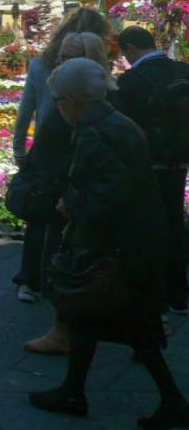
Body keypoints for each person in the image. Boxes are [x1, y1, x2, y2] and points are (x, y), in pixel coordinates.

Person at [28, 58, 189, 427]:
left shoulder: (94, 131)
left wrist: (71, 204)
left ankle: (172, 400)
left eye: (59, 100)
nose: (58, 107)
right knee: (88, 316)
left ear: (71, 99)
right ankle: (73, 390)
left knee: (131, 326)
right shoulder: (113, 120)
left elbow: (109, 193)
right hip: (135, 240)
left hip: (118, 246)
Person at [13, 8, 112, 308]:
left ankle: (30, 280)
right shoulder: (93, 71)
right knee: (63, 218)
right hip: (67, 148)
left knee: (41, 218)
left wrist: (19, 147)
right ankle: (56, 278)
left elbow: (25, 109)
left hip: (46, 147)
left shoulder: (40, 64)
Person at [115, 25, 189, 316]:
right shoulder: (185, 69)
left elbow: (125, 128)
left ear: (131, 49)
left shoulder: (132, 80)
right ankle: (179, 292)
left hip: (148, 163)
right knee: (174, 219)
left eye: (125, 53)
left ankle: (154, 293)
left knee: (148, 225)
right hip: (181, 160)